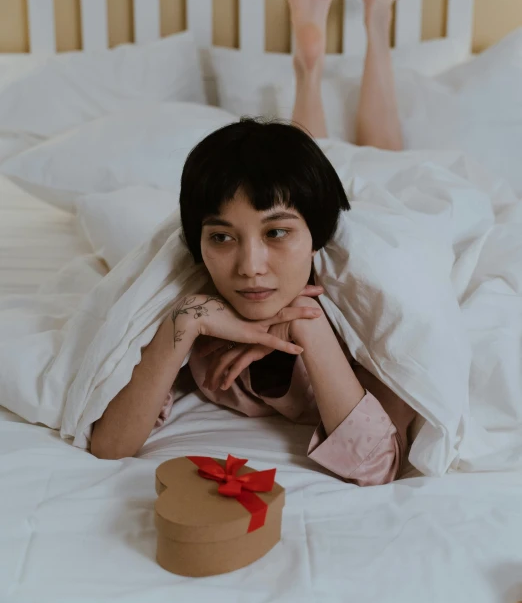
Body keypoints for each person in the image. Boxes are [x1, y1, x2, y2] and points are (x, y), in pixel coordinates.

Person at [91, 99, 417, 485]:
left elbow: (378, 466)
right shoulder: (200, 308)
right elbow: (109, 447)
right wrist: (184, 319)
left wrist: (308, 327)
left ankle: (309, 83)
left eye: (276, 232)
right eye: (222, 237)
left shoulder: (362, 313)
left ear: (316, 237)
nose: (250, 266)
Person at [289, 0, 407, 150]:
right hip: (380, 172)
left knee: (307, 171)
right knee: (385, 156)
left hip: (313, 174)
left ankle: (309, 75)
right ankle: (377, 22)